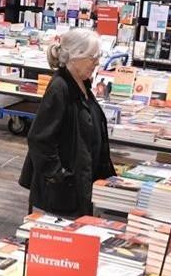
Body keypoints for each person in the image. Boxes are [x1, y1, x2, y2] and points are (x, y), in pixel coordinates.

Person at [18, 27, 115, 217]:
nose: (96, 63)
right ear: (74, 56)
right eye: (92, 57)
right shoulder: (60, 88)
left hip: (80, 185)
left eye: (98, 57)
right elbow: (40, 139)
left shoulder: (82, 84)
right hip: (62, 195)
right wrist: (59, 176)